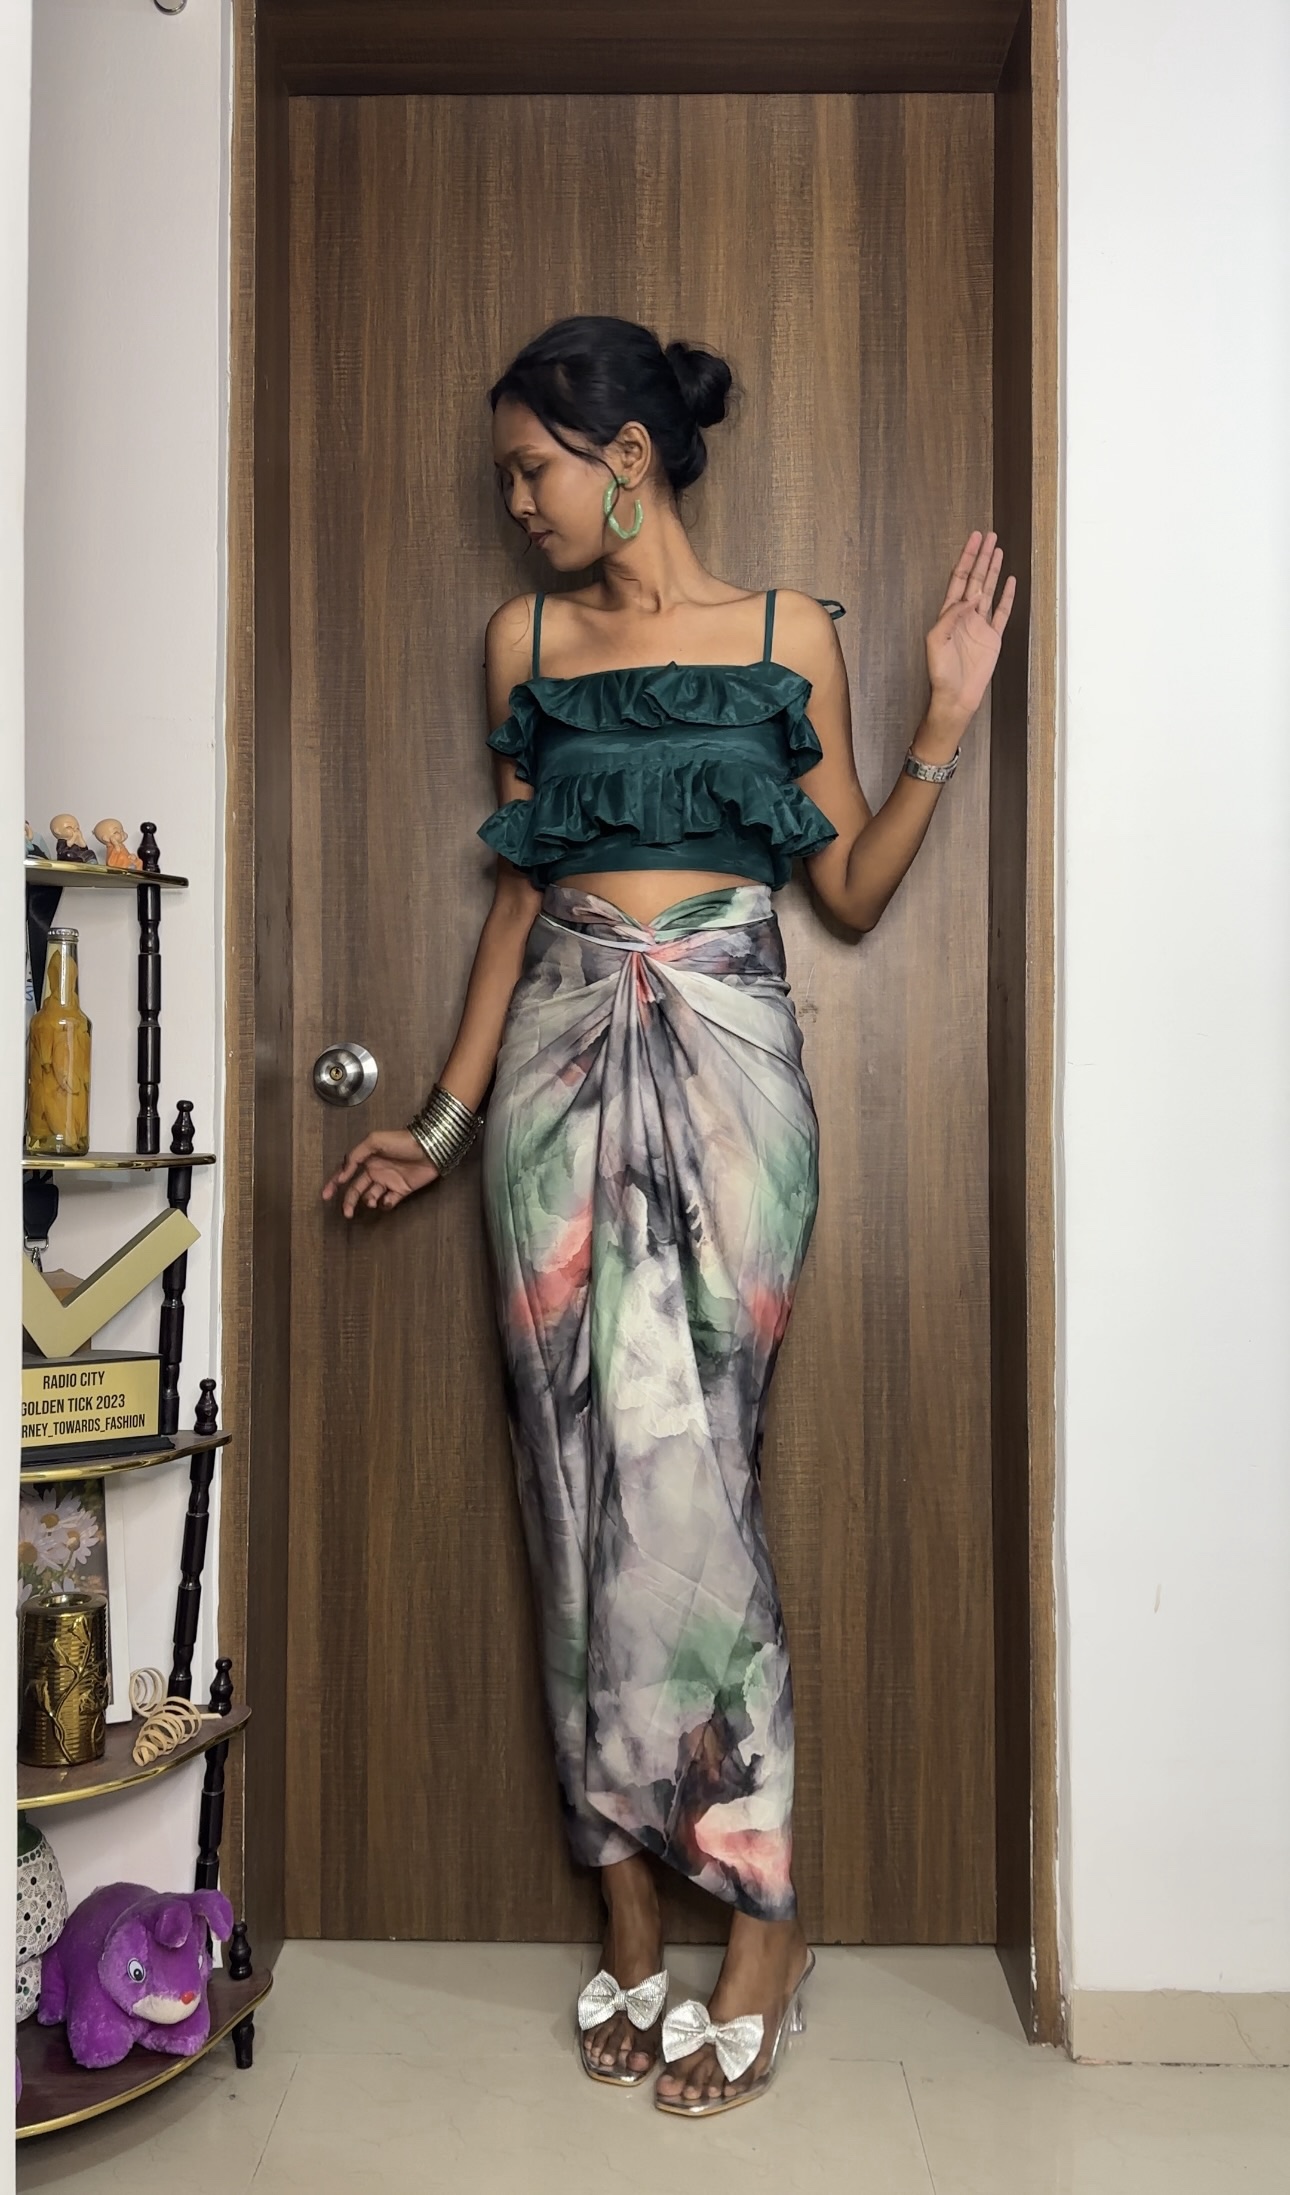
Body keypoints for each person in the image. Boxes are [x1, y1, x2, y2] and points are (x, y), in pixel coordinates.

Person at [322, 313, 1014, 2117]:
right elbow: (514, 898)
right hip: (555, 1068)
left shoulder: (790, 637)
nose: (514, 505)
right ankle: (630, 1913)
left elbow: (846, 890)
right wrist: (442, 1119)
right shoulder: (523, 642)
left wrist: (942, 719)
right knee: (566, 1486)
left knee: (691, 1475)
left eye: (530, 471)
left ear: (624, 456)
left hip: (729, 1068)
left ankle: (760, 1912)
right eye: (503, 481)